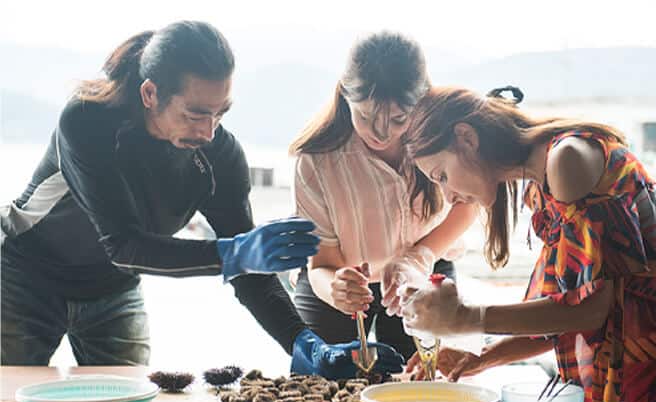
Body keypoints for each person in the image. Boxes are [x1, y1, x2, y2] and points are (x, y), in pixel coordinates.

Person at [0, 21, 404, 379]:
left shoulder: (219, 156)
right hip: (24, 276)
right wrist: (233, 253)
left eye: (220, 113)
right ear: (150, 93)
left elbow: (249, 272)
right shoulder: (88, 123)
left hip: (112, 289)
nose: (209, 132)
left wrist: (304, 342)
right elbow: (123, 245)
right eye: (195, 114)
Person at [398, 85, 656, 402]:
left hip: (655, 368)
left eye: (441, 175)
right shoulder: (541, 185)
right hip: (628, 370)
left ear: (467, 137)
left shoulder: (567, 160)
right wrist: (482, 357)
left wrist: (464, 318)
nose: (448, 196)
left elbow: (590, 310)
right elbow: (558, 312)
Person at [289, 32, 478, 360]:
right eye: (365, 116)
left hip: (426, 261)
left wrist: (417, 259)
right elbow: (321, 265)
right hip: (341, 276)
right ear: (345, 96)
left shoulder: (445, 132)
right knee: (322, 370)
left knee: (428, 371)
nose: (381, 133)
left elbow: (468, 204)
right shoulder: (315, 161)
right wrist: (337, 291)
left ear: (420, 102)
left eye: (398, 119)